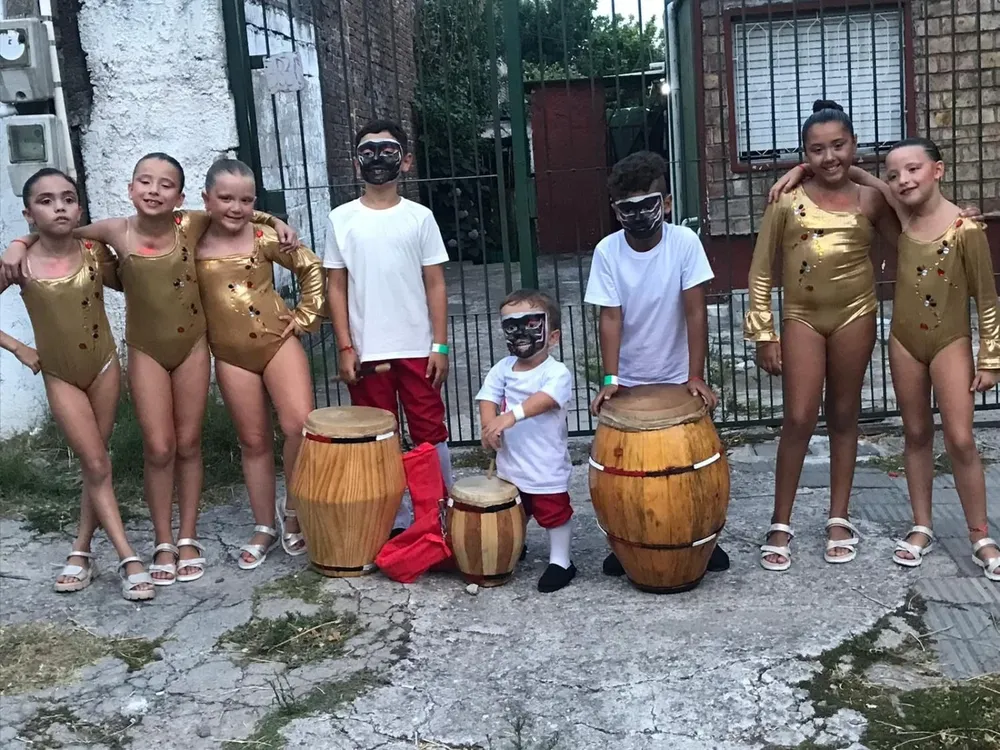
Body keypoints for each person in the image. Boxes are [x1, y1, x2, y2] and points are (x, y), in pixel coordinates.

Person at [1, 153, 298, 582]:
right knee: (159, 448)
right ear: (130, 188)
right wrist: (18, 242)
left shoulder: (190, 224)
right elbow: (60, 231)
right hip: (145, 351)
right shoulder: (113, 232)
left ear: (180, 197)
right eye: (145, 181)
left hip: (192, 346)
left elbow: (235, 210)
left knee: (189, 443)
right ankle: (162, 540)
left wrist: (275, 222)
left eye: (165, 184)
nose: (154, 190)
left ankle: (188, 536)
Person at [746, 101, 908, 571]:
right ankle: (781, 520)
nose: (829, 157)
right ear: (804, 154)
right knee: (798, 417)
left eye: (839, 146)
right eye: (816, 150)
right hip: (802, 317)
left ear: (854, 145)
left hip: (856, 315)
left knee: (843, 414)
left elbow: (911, 239)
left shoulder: (871, 200)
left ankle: (839, 517)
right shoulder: (786, 200)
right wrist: (763, 333)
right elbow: (761, 270)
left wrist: (868, 177)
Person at [846, 138, 998, 581]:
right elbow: (857, 173)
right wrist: (796, 172)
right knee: (915, 433)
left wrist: (990, 358)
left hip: (950, 342)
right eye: (894, 174)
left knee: (961, 439)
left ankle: (980, 536)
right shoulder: (901, 215)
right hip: (905, 343)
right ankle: (922, 525)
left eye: (913, 169)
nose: (902, 180)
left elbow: (987, 299)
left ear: (938, 170)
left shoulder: (965, 229)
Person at [0, 169, 154, 600]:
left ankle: (81, 551)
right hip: (60, 374)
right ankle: (128, 557)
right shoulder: (19, 263)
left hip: (103, 367)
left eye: (68, 199)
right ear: (28, 213)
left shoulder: (92, 251)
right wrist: (18, 348)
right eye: (46, 201)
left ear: (79, 208)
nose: (59, 207)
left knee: (95, 464)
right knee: (98, 465)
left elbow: (133, 278)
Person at [584, 150, 728, 577]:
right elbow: (610, 317)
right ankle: (627, 541)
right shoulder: (607, 251)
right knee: (627, 469)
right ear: (616, 211)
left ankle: (699, 537)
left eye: (648, 205)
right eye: (627, 209)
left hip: (677, 374)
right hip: (630, 377)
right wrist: (611, 377)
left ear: (665, 203)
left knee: (692, 466)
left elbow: (695, 310)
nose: (638, 216)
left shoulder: (684, 243)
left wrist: (695, 375)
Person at [195, 159, 325, 569]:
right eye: (226, 198)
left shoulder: (264, 236)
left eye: (247, 200)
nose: (236, 208)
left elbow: (311, 267)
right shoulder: (190, 239)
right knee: (253, 441)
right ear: (206, 199)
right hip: (230, 354)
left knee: (299, 425)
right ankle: (264, 525)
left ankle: (294, 510)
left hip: (277, 342)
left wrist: (305, 317)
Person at [324, 119, 452, 532]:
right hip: (366, 350)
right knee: (377, 434)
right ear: (355, 162)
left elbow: (435, 283)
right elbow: (336, 286)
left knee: (429, 428)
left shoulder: (420, 218)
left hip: (417, 347)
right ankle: (391, 520)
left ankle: (440, 514)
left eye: (388, 150)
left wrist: (440, 345)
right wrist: (345, 346)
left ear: (406, 161)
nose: (377, 158)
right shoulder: (340, 219)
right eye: (368, 151)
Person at [477, 289, 576, 593]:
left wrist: (509, 417)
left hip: (545, 464)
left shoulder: (557, 372)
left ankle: (561, 561)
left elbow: (544, 400)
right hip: (511, 464)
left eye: (531, 324)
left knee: (553, 512)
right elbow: (487, 397)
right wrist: (488, 426)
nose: (520, 333)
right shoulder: (502, 368)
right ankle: (516, 546)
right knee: (514, 511)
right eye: (511, 326)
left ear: (553, 336)